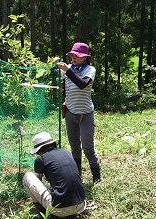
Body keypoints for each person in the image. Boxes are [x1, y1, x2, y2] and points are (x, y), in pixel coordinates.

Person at [56, 42, 101, 183]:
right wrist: (55, 64)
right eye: (72, 55)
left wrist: (67, 71)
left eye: (77, 56)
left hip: (85, 114)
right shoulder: (68, 68)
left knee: (88, 148)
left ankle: (96, 177)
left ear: (85, 57)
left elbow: (82, 84)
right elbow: (53, 74)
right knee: (75, 146)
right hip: (70, 113)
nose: (73, 58)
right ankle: (77, 177)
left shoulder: (90, 70)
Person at [23, 131, 86, 218]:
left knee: (28, 176)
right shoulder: (66, 152)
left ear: (40, 150)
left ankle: (38, 207)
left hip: (59, 209)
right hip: (81, 205)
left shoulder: (41, 159)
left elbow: (38, 182)